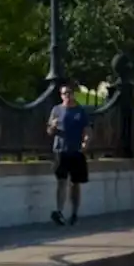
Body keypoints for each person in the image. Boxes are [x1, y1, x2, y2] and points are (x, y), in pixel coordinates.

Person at [47, 83, 92, 226]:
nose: (67, 96)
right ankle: (59, 211)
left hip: (76, 151)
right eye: (64, 93)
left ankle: (74, 213)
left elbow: (87, 130)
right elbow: (49, 131)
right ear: (61, 96)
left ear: (73, 94)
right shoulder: (56, 110)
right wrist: (52, 127)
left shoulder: (80, 111)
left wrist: (86, 142)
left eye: (69, 93)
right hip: (61, 150)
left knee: (75, 183)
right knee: (61, 181)